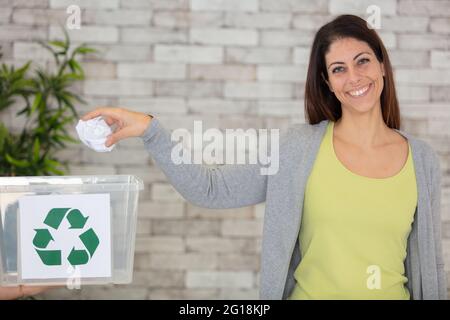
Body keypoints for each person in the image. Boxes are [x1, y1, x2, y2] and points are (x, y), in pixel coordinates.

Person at [81, 15, 447, 299]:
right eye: (339, 69)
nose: (354, 77)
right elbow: (211, 190)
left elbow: (428, 268)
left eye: (363, 61)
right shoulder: (297, 149)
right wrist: (150, 130)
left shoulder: (422, 160)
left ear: (382, 65)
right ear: (327, 82)